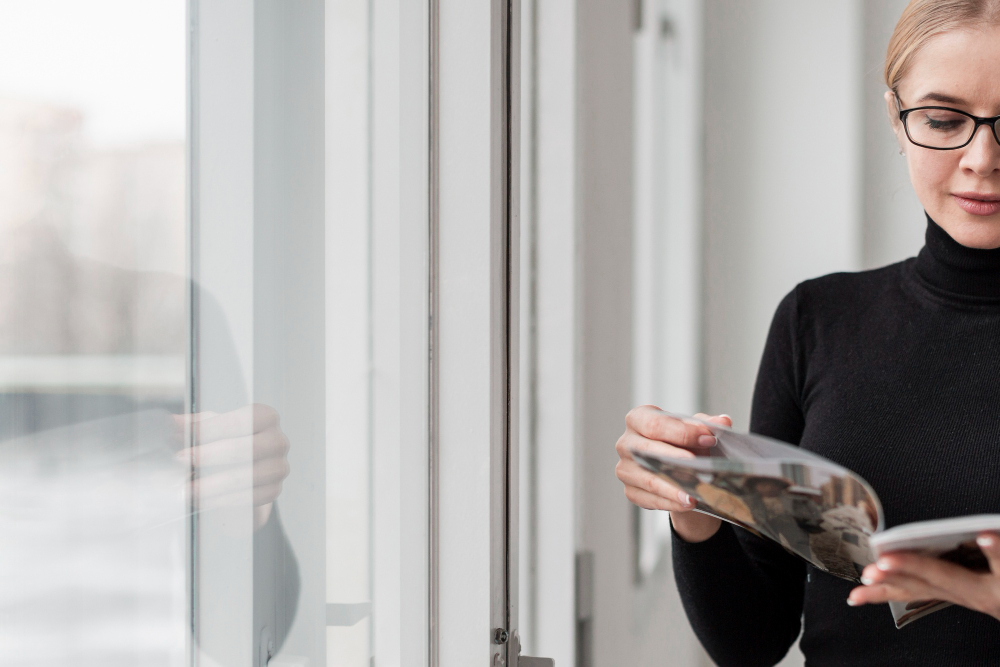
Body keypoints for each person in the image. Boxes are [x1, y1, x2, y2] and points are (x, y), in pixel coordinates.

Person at [614, 1, 1000, 664]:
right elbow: (753, 639)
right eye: (942, 120)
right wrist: (697, 510)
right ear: (897, 121)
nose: (981, 158)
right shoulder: (818, 320)